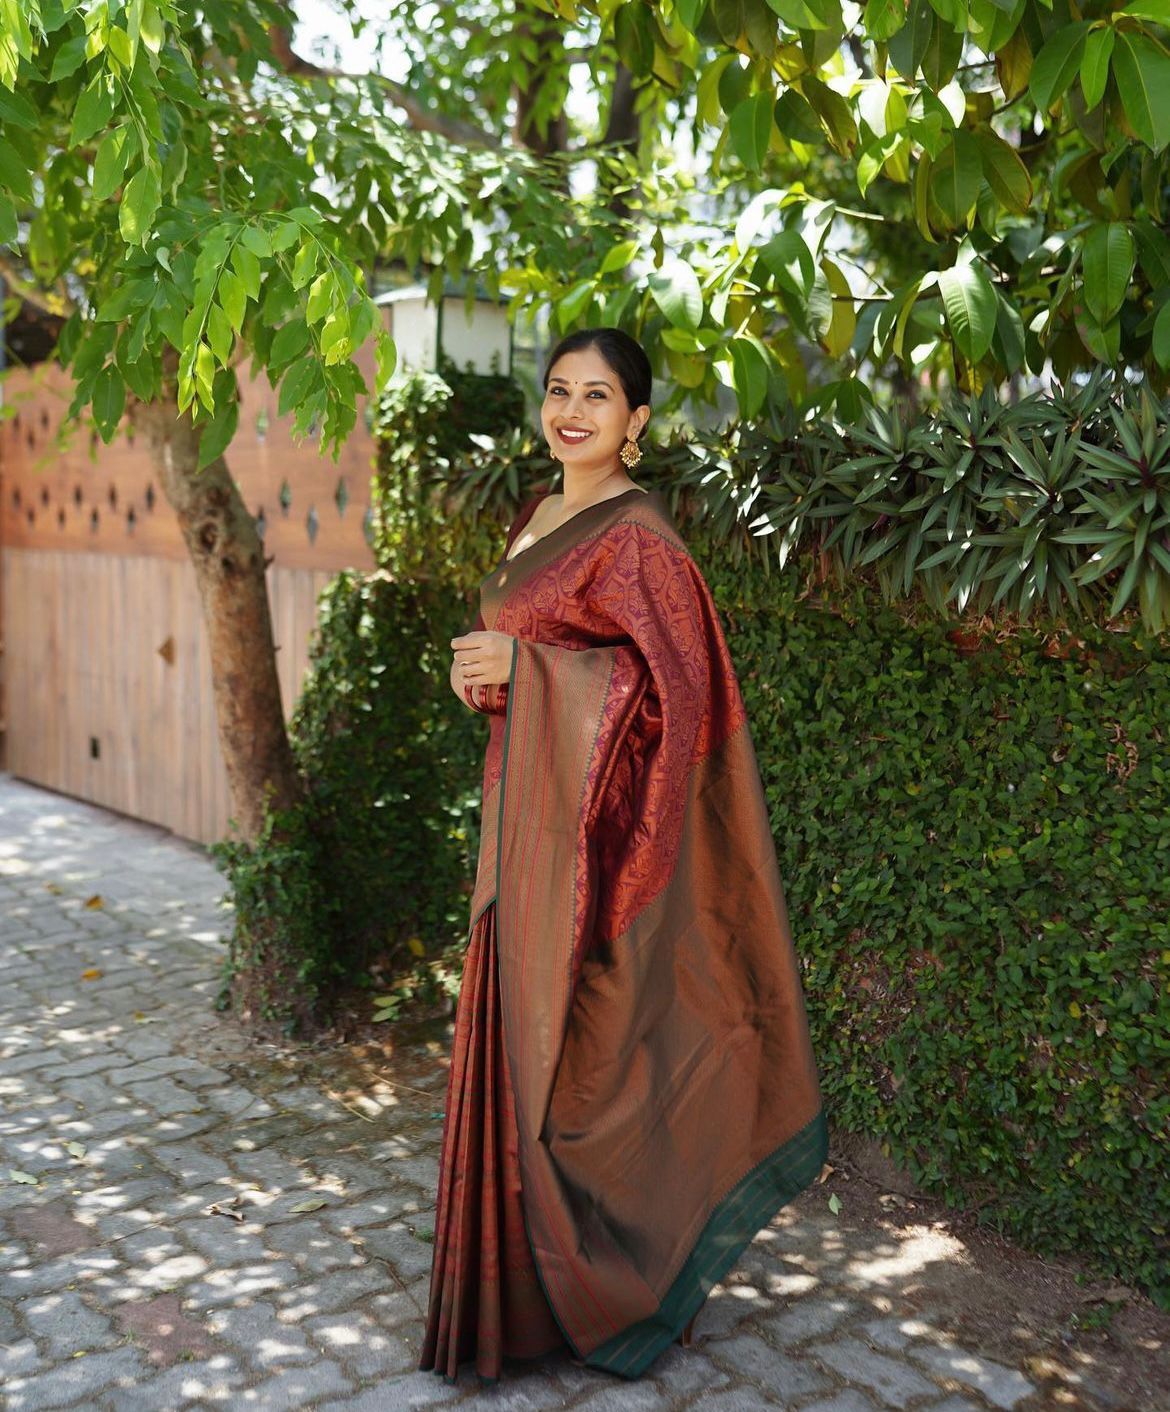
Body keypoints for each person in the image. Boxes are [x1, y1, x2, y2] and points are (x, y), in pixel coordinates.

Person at [418, 327, 828, 1387]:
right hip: (526, 827)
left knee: (575, 1058)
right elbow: (550, 653)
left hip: (591, 853)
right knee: (518, 1050)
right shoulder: (543, 511)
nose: (572, 412)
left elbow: (676, 699)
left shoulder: (642, 540)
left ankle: (611, 1283)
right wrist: (497, 676)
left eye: (597, 396)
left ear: (637, 422)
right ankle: (522, 1293)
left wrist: (536, 673)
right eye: (559, 390)